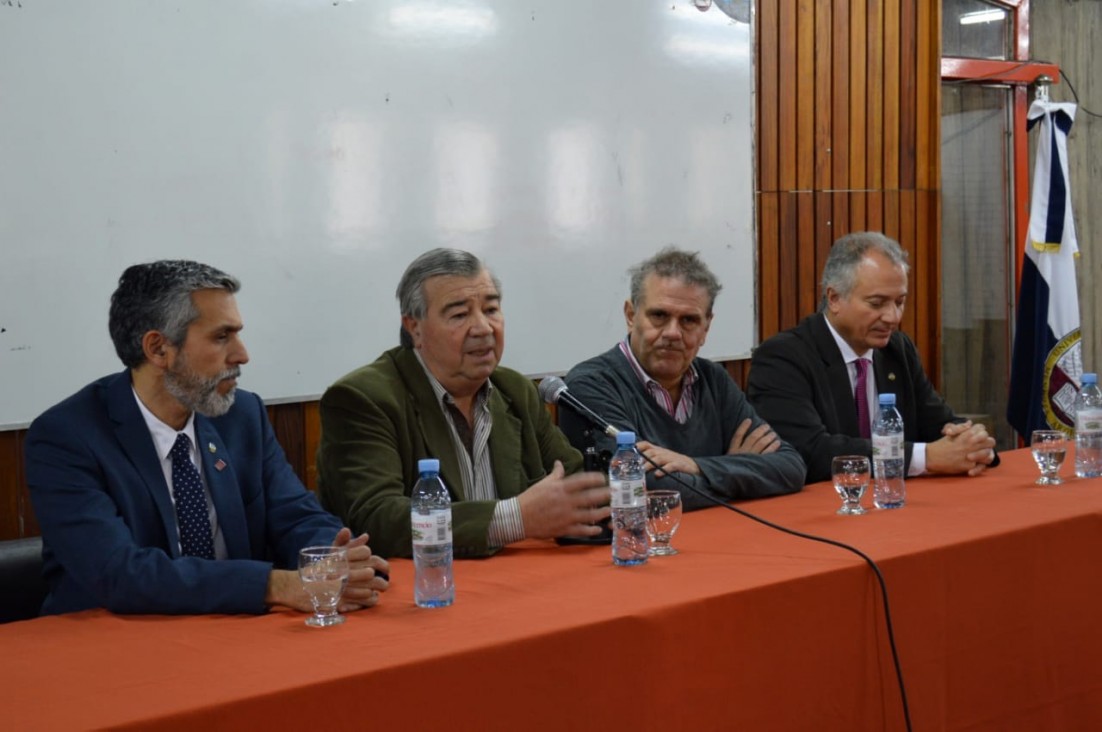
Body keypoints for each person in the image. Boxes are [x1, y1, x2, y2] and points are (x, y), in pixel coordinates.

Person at [25, 261, 390, 616]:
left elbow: (295, 515)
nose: (242, 354)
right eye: (221, 337)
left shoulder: (241, 414)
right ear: (158, 349)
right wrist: (275, 586)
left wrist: (332, 555)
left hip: (233, 634)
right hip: (110, 645)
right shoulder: (66, 437)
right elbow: (119, 573)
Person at [316, 248, 609, 559]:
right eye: (459, 314)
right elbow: (378, 519)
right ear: (414, 327)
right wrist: (514, 519)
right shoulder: (363, 398)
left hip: (519, 584)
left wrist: (616, 489)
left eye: (491, 310)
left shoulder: (515, 390)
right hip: (423, 591)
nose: (483, 328)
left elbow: (576, 483)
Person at [559, 247, 806, 510]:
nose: (673, 333)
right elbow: (645, 489)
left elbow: (791, 467)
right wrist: (738, 470)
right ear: (631, 316)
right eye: (659, 316)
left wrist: (697, 466)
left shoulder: (714, 379)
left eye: (689, 320)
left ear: (706, 328)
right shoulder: (590, 385)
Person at [746, 231, 999, 484]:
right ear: (834, 298)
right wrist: (924, 457)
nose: (892, 317)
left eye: (900, 302)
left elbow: (939, 423)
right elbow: (808, 452)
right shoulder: (783, 357)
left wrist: (973, 442)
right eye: (877, 304)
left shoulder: (897, 350)